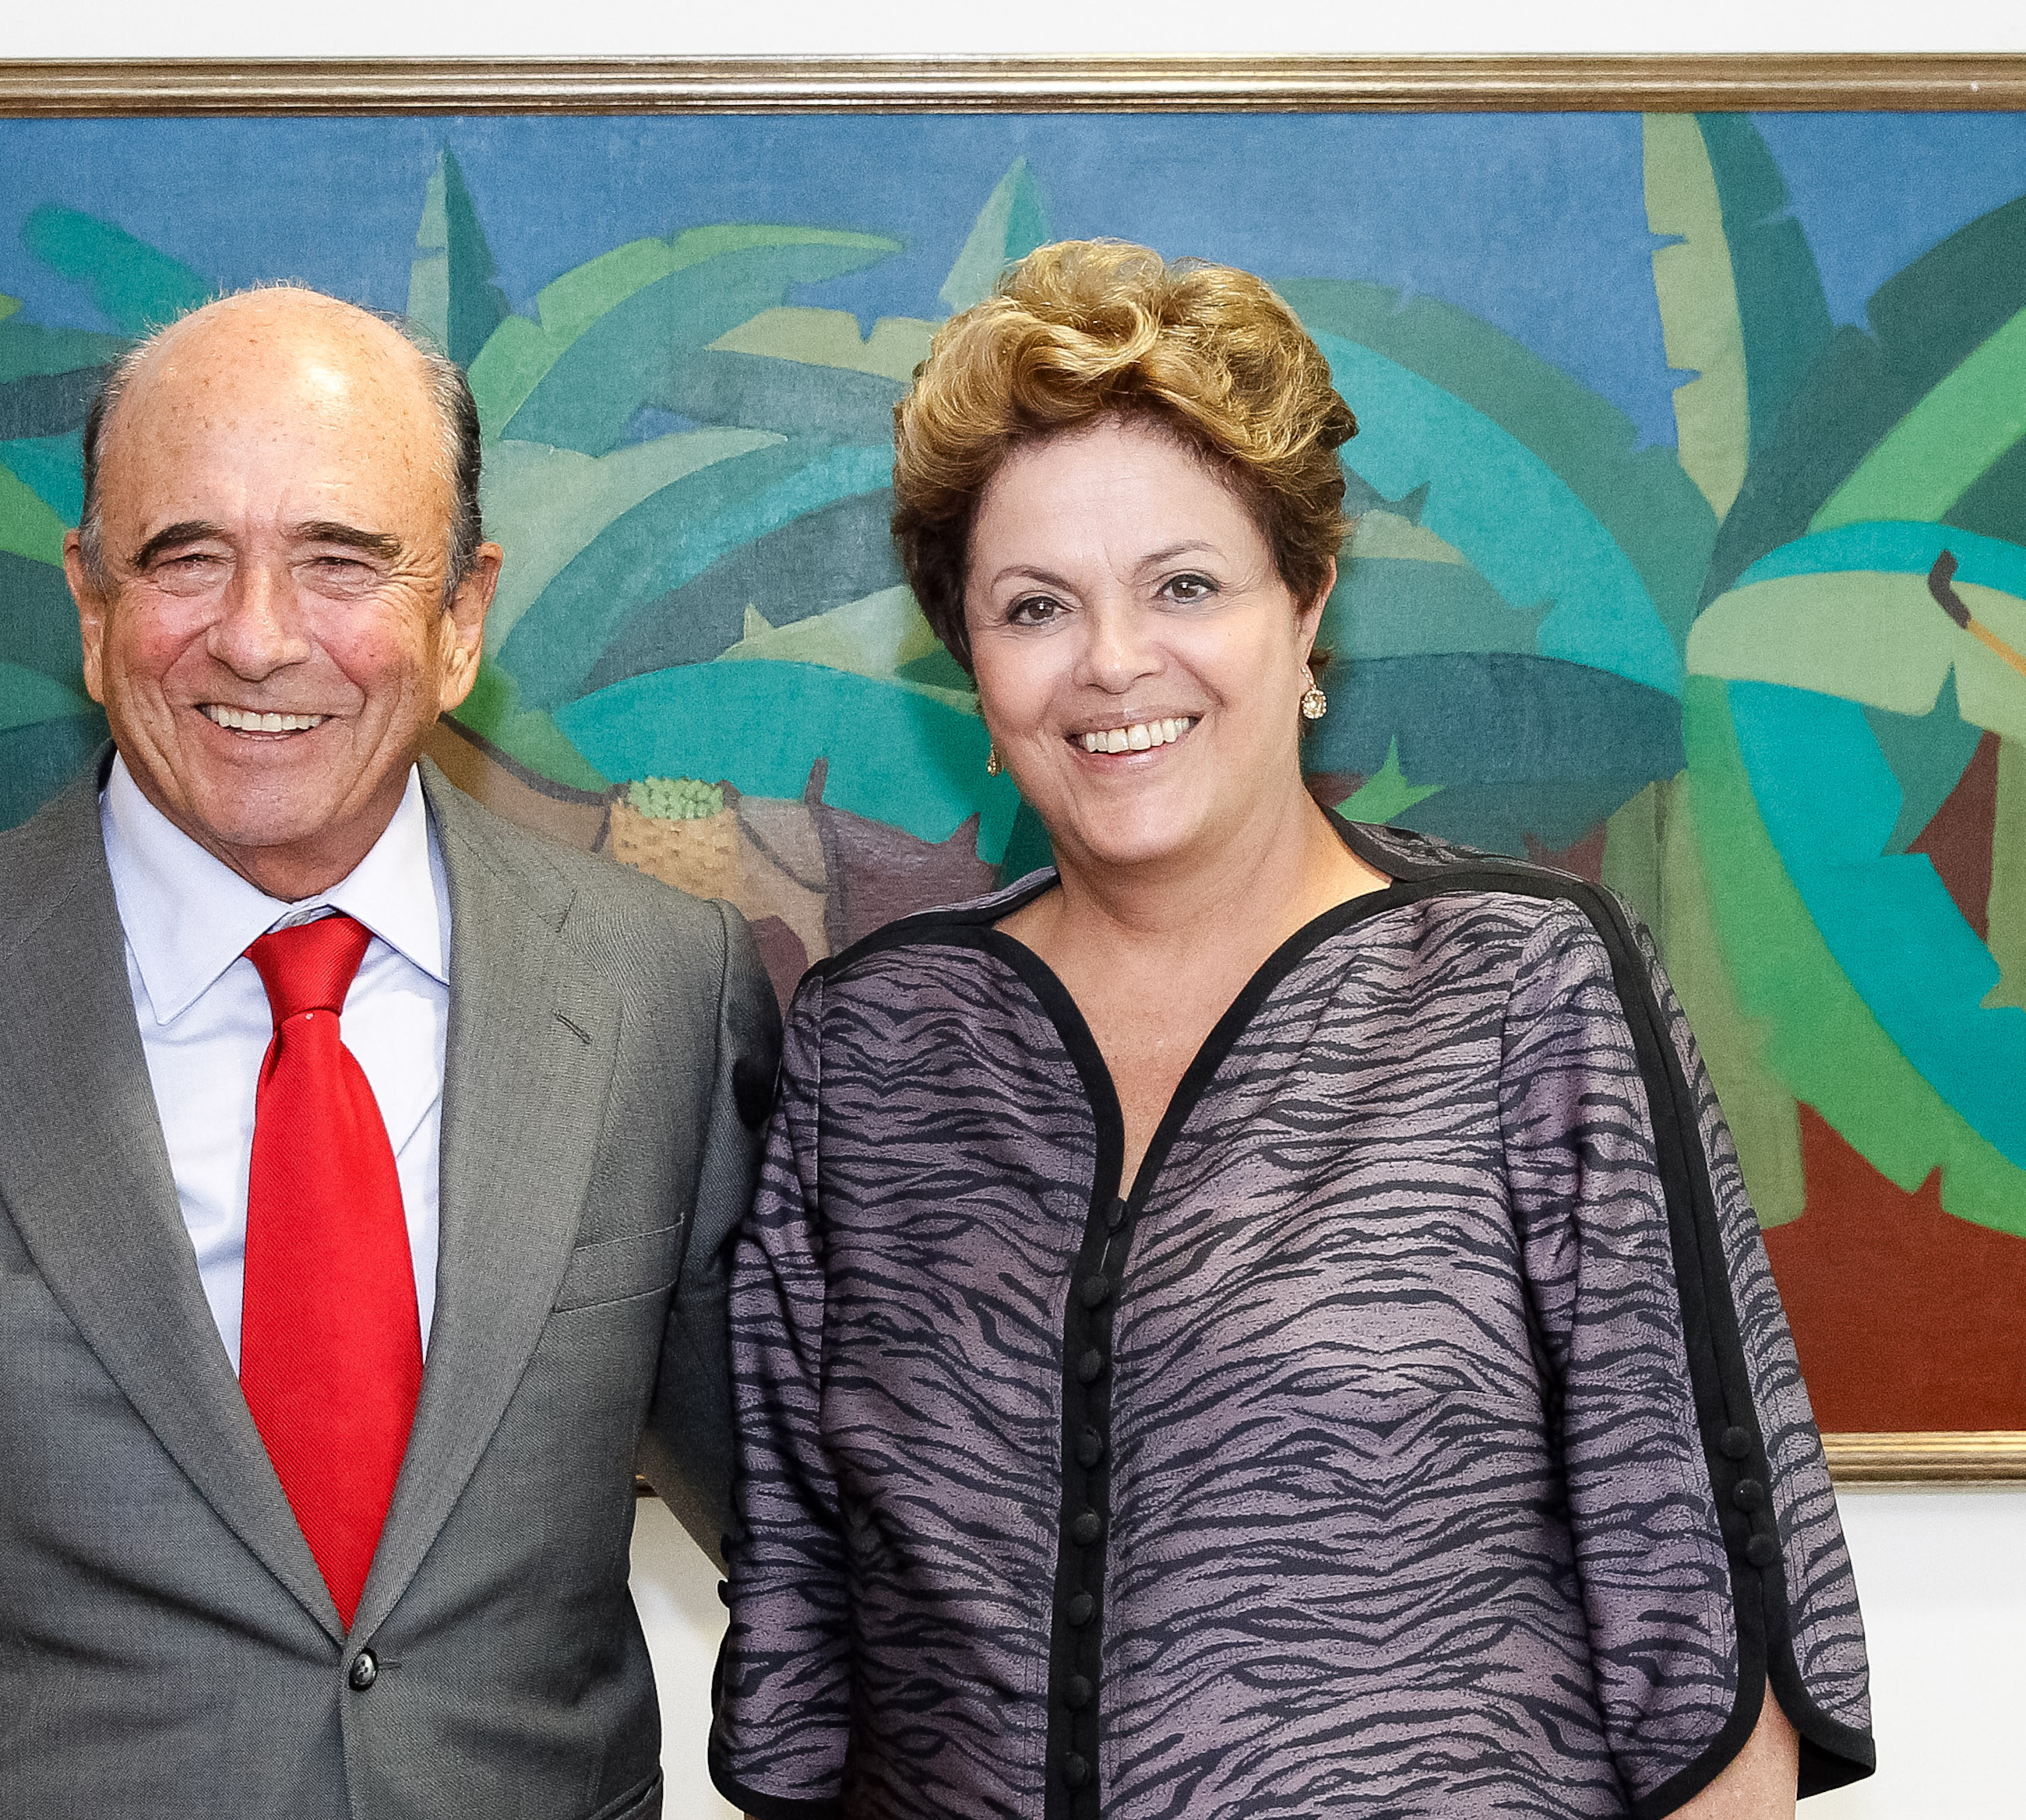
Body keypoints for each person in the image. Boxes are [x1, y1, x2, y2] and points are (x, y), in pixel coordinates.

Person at [710, 241, 1876, 1819]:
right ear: (971, 661)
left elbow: (1705, 1643)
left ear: (1305, 604)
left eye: (1184, 585)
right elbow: (802, 1640)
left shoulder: (1526, 986)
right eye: (1035, 605)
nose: (1113, 661)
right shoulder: (874, 1045)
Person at [0, 286, 779, 1820]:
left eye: (340, 560)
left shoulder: (663, 989)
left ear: (461, 617)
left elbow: (826, 1537)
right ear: (90, 606)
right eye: (184, 556)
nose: (256, 634)